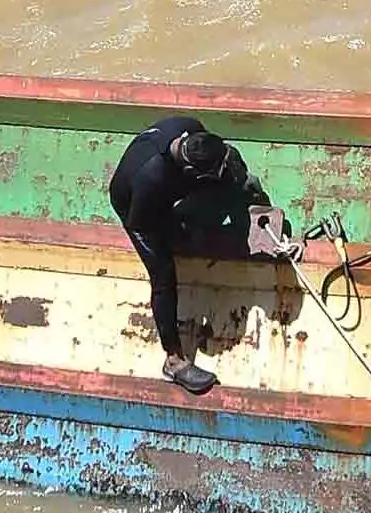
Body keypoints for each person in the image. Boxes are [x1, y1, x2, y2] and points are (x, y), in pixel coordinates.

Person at [106, 115, 259, 395]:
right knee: (163, 275)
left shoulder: (187, 126)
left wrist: (240, 181)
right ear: (189, 171)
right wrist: (176, 236)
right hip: (136, 211)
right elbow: (139, 222)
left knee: (223, 182)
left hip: (171, 184)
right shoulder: (151, 180)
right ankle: (174, 361)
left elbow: (222, 159)